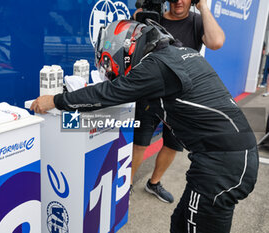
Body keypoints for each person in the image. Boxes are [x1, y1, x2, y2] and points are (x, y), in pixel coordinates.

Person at [31, 19, 257, 233]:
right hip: (227, 159)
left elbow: (108, 93)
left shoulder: (157, 66)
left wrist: (55, 100)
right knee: (180, 222)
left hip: (222, 165)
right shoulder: (180, 53)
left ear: (125, 50)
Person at [131, 0, 225, 203]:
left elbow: (216, 42)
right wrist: (136, 19)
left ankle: (153, 183)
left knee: (173, 144)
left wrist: (204, 7)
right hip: (149, 94)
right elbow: (130, 45)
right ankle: (126, 187)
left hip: (180, 98)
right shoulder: (152, 18)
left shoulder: (197, 21)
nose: (179, 1)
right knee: (139, 144)